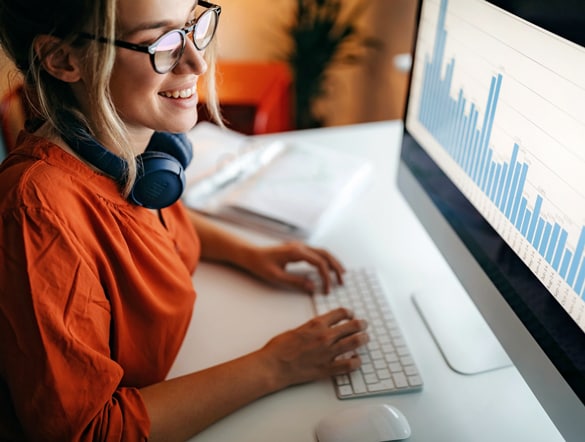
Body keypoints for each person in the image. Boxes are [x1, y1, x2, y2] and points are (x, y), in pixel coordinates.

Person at [0, 0, 369, 440]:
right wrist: (276, 365)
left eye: (193, 25)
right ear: (63, 59)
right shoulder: (38, 213)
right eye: (160, 41)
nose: (197, 60)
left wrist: (249, 253)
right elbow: (91, 431)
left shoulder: (129, 153)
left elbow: (148, 226)